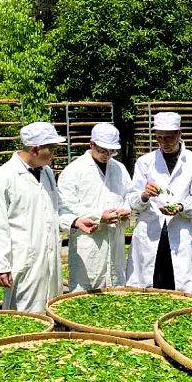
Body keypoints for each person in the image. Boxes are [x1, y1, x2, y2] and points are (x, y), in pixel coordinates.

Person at [0, 122, 98, 313]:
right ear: (36, 149)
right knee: (24, 313)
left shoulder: (46, 173)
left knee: (50, 308)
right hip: (23, 259)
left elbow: (54, 210)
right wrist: (1, 265)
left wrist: (75, 221)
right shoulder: (3, 177)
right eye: (51, 149)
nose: (54, 154)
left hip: (48, 256)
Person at [125, 111, 192, 293]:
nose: (165, 143)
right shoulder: (145, 162)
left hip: (179, 228)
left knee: (175, 282)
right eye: (160, 138)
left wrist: (181, 207)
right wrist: (144, 195)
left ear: (179, 134)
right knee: (148, 280)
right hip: (150, 230)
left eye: (169, 138)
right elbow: (132, 200)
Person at [57, 123, 133, 291]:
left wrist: (126, 209)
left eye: (111, 151)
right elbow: (65, 207)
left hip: (115, 239)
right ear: (91, 145)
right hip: (88, 242)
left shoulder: (119, 168)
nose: (107, 155)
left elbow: (129, 195)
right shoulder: (74, 171)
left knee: (116, 291)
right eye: (102, 150)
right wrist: (99, 216)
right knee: (85, 291)